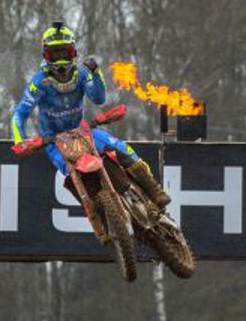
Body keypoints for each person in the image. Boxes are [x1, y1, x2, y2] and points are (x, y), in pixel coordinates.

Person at [10, 21, 170, 213]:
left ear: (74, 53)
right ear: (46, 55)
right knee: (72, 174)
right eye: (55, 54)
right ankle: (98, 212)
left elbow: (99, 98)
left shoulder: (82, 74)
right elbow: (20, 114)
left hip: (82, 133)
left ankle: (154, 191)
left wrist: (97, 74)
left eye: (65, 53)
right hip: (54, 142)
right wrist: (19, 141)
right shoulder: (39, 82)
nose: (61, 61)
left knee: (121, 149)